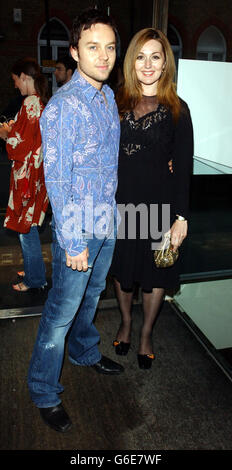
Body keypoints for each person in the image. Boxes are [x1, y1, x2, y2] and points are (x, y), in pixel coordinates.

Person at [28, 8, 123, 433]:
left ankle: (84, 352)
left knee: (93, 295)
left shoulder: (107, 97)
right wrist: (74, 242)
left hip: (107, 219)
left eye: (109, 47)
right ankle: (43, 390)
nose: (103, 56)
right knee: (60, 312)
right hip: (78, 228)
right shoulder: (62, 108)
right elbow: (58, 180)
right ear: (75, 52)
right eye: (92, 47)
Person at [110, 28, 193, 369]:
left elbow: (184, 165)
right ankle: (127, 324)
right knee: (124, 273)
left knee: (155, 275)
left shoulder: (178, 109)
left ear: (164, 64)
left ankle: (146, 333)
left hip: (159, 207)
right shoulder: (115, 101)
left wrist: (181, 217)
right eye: (141, 56)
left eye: (155, 56)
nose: (147, 64)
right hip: (122, 205)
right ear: (132, 62)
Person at [0, 58, 49, 292]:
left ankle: (35, 278)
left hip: (26, 177)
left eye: (15, 80)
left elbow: (19, 146)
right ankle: (33, 270)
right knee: (28, 228)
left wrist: (5, 133)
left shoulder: (30, 102)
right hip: (35, 175)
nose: (15, 85)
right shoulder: (40, 102)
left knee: (24, 229)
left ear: (24, 77)